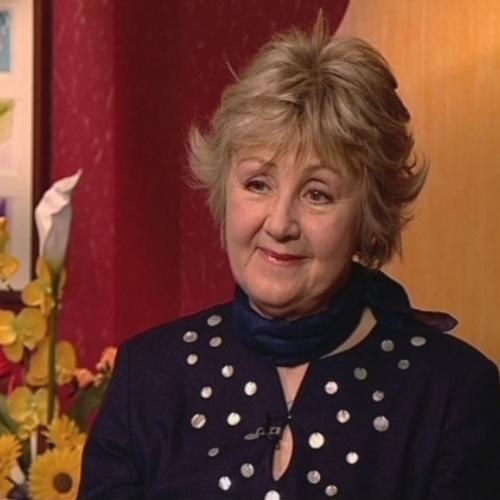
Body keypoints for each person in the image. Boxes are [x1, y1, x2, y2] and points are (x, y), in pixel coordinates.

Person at [78, 14, 500, 500]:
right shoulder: (148, 376)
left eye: (317, 194)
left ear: (368, 215)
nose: (280, 224)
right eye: (258, 183)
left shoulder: (452, 393)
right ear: (224, 193)